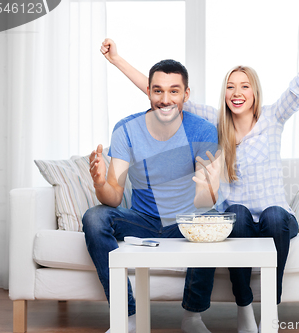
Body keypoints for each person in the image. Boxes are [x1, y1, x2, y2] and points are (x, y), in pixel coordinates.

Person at [101, 8, 299, 332]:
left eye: (244, 86)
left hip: (276, 217)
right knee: (237, 212)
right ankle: (244, 308)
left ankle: (269, 312)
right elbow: (165, 98)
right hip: (239, 217)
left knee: (274, 215)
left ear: (254, 93)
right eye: (231, 87)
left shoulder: (272, 119)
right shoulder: (214, 123)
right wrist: (117, 60)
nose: (237, 93)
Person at [83, 59, 222, 333]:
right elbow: (113, 197)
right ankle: (127, 317)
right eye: (158, 91)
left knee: (211, 218)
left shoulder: (203, 131)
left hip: (185, 223)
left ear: (186, 94)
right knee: (94, 217)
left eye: (174, 91)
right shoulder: (126, 130)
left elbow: (202, 203)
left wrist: (209, 189)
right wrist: (100, 183)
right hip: (143, 220)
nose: (165, 99)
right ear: (148, 92)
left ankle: (192, 317)